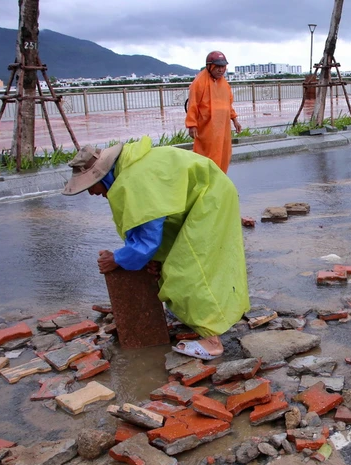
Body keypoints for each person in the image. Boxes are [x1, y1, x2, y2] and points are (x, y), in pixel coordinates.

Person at [62, 137, 250, 360]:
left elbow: (146, 239)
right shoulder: (128, 167)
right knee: (175, 258)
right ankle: (210, 314)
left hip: (209, 200)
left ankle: (211, 342)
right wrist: (153, 259)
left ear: (101, 175)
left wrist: (118, 259)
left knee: (191, 267)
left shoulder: (134, 180)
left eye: (89, 187)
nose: (91, 193)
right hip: (200, 196)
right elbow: (149, 223)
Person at [185, 51, 242, 173]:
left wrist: (235, 119)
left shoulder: (224, 84)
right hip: (207, 128)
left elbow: (228, 104)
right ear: (210, 66)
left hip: (223, 128)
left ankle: (220, 181)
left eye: (223, 67)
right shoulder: (199, 82)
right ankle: (206, 184)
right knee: (207, 156)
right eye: (218, 67)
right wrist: (191, 125)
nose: (221, 70)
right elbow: (193, 105)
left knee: (224, 154)